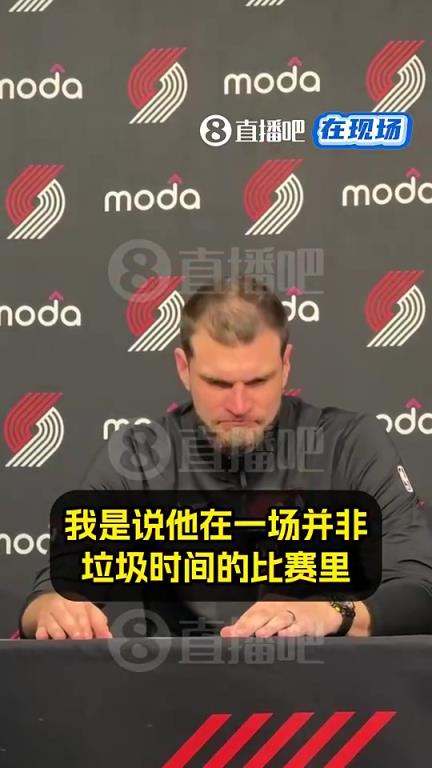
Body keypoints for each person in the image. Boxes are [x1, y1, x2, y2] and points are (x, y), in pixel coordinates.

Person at [19, 276, 432, 640]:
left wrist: (331, 614)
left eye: (257, 381)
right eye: (218, 383)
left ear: (286, 365)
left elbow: (419, 591)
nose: (238, 405)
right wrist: (54, 610)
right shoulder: (139, 457)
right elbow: (50, 595)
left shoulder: (350, 445)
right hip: (182, 690)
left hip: (329, 688)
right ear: (184, 368)